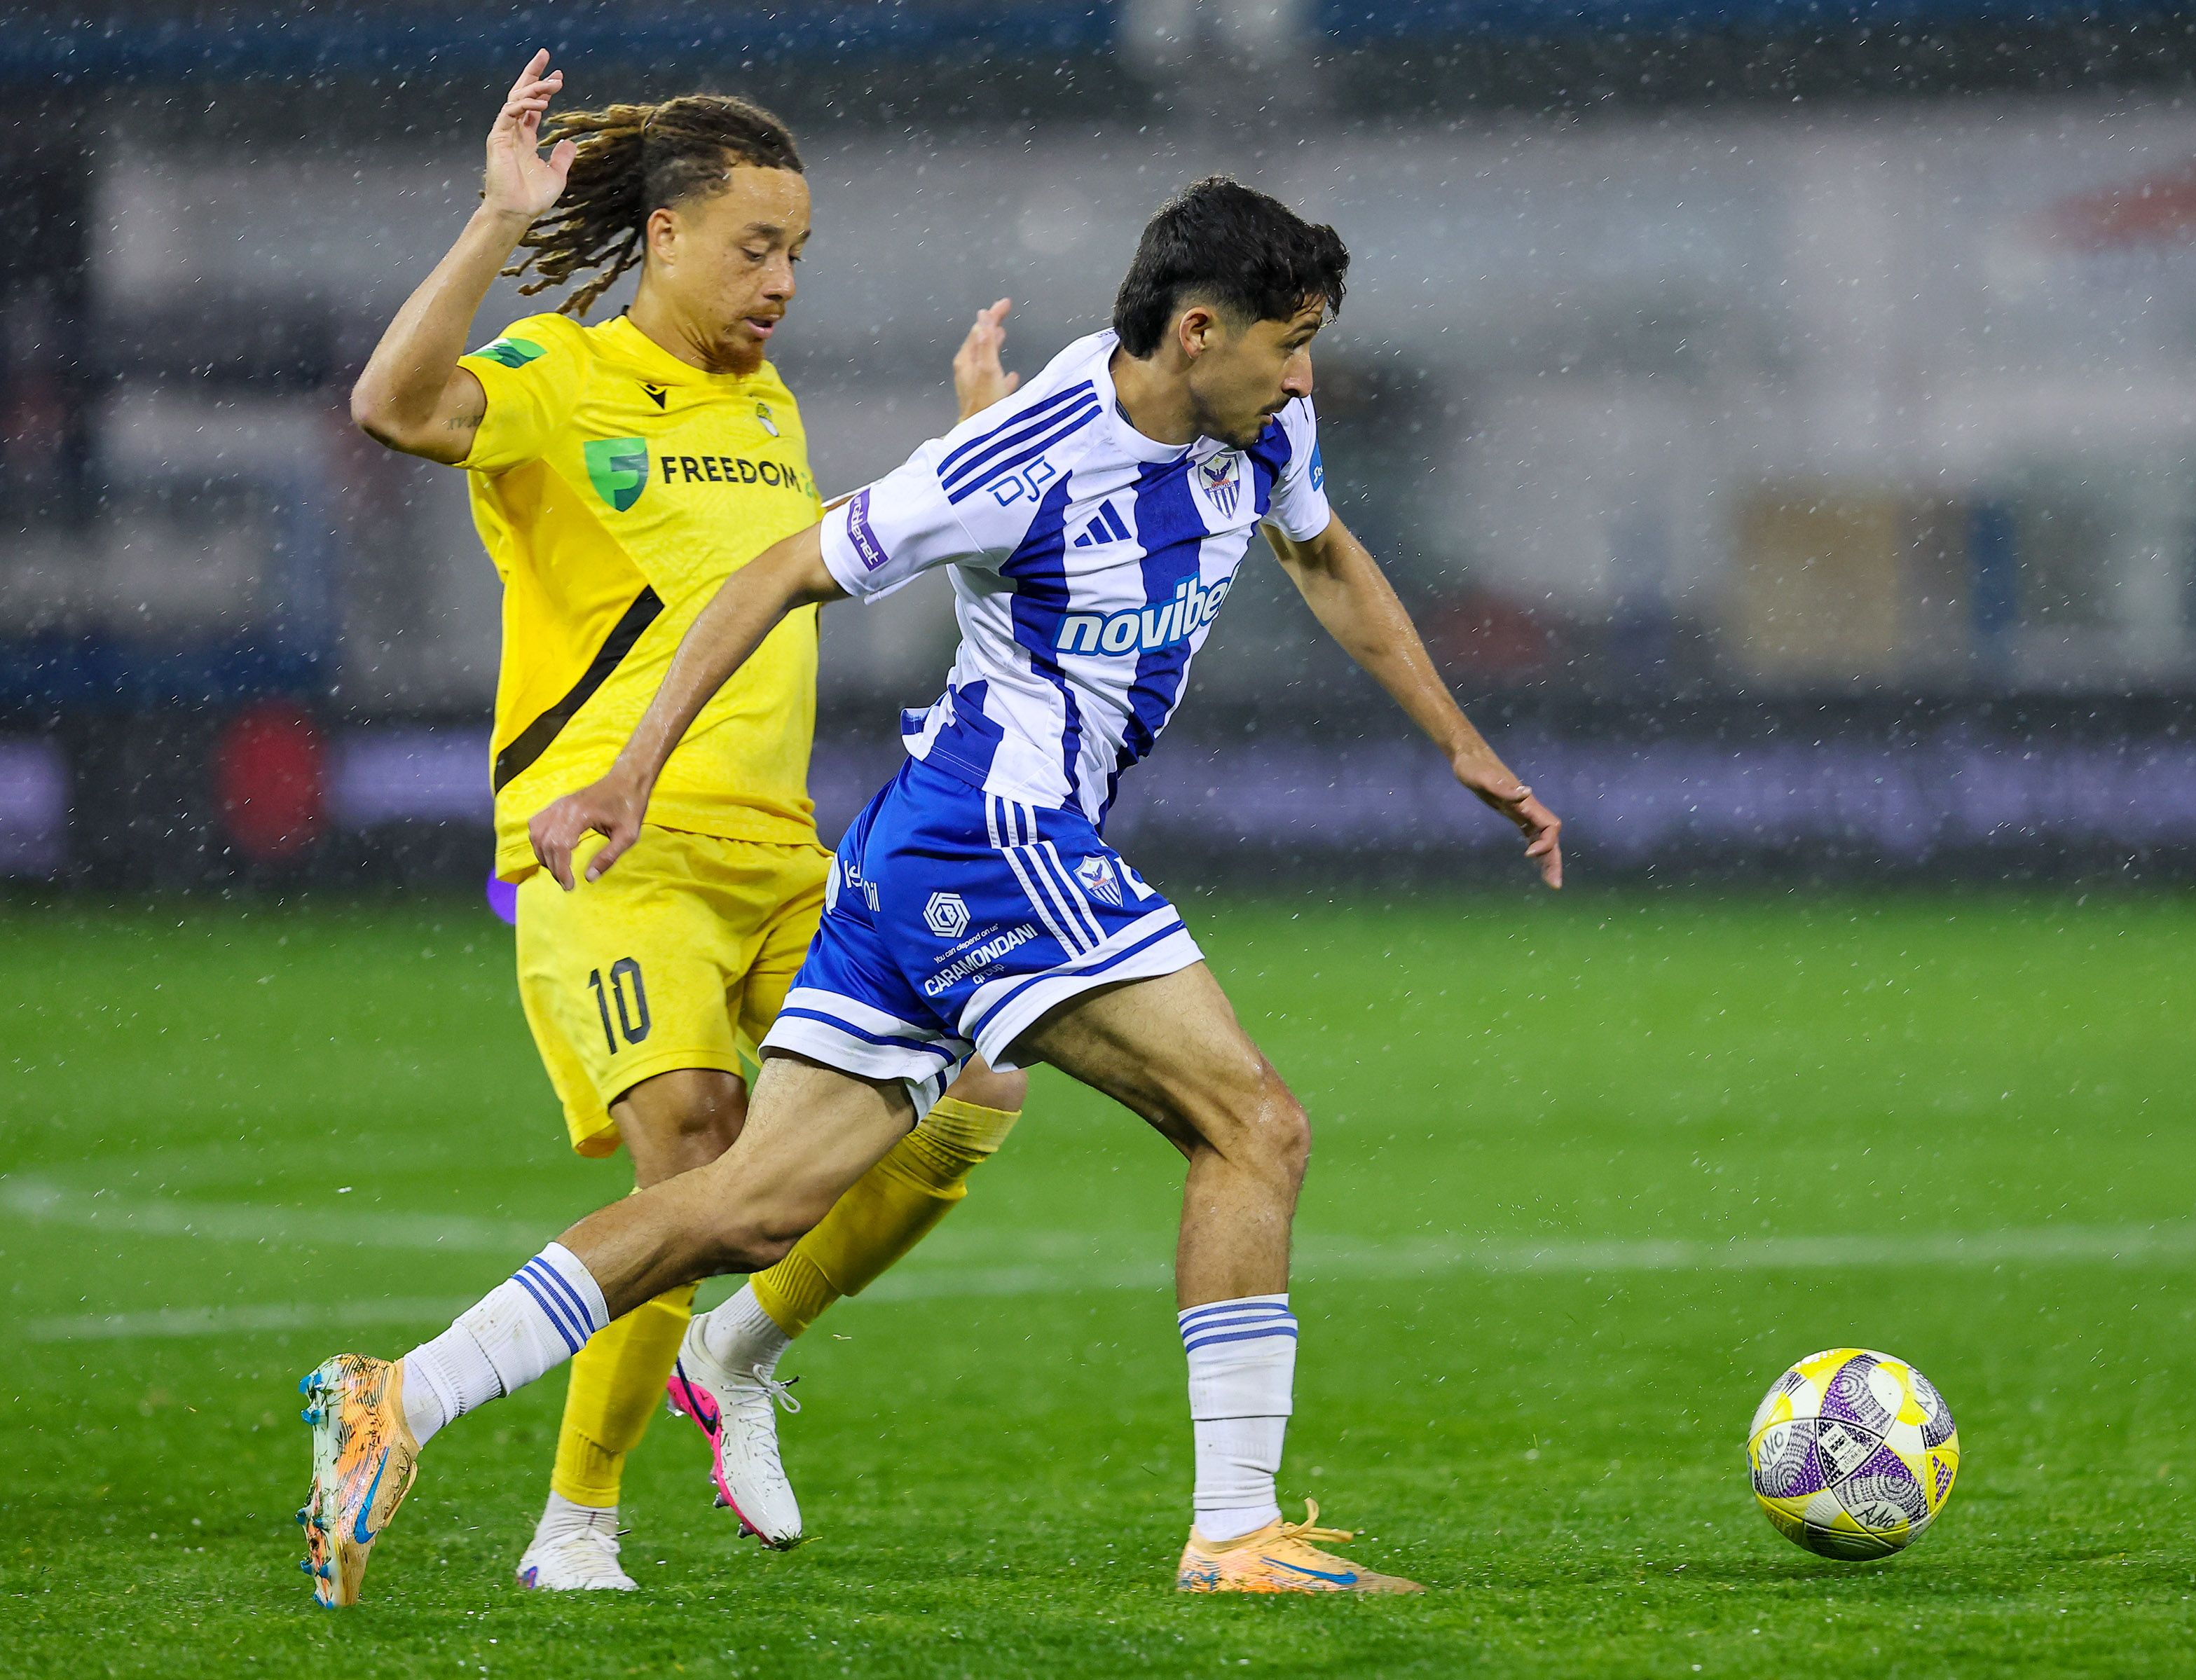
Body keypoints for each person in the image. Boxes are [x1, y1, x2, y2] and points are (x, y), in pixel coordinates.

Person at [301, 171, 1564, 1604]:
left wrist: (1465, 745)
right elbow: (779, 569)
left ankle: (398, 1391)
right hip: (991, 838)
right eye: (1291, 339)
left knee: (748, 1208)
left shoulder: (1260, 428)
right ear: (1199, 330)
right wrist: (635, 769)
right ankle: (1234, 1528)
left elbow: (1323, 553)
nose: (1305, 370)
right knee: (1253, 1123)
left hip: (924, 857)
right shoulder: (1017, 459)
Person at [338, 52, 1034, 1596]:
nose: (782, 280)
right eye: (754, 247)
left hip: (784, 857)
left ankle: (739, 1351)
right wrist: (490, 220)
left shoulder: (765, 405)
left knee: (981, 1075)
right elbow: (388, 406)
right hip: (609, 850)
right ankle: (572, 1525)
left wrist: (979, 450)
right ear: (662, 238)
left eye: (796, 252)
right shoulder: (556, 374)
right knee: (697, 1162)